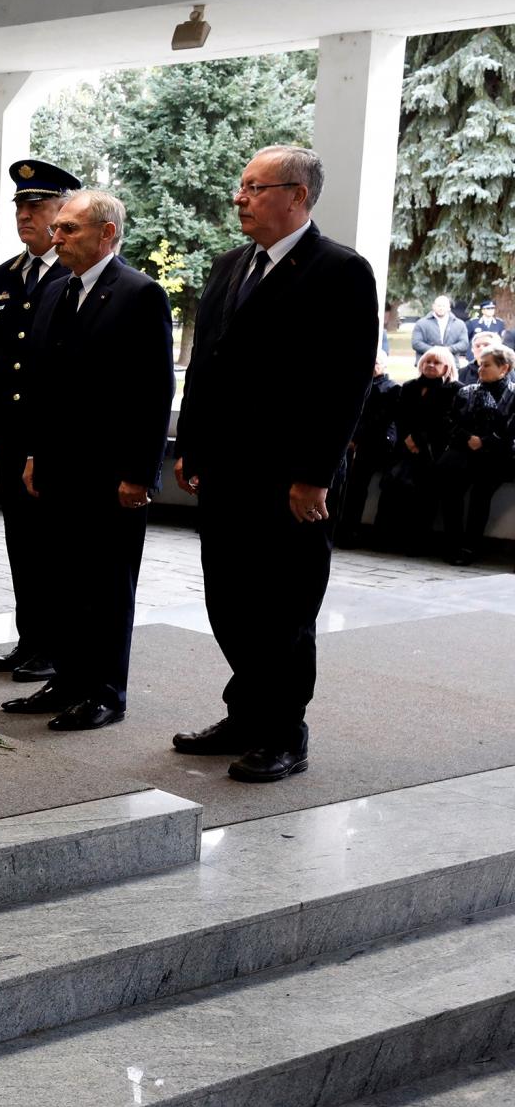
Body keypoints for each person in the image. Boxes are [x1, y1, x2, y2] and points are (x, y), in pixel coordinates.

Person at [172, 145, 379, 783]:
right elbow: (206, 365)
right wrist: (191, 444)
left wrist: (315, 474)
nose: (241, 197)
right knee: (229, 598)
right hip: (226, 469)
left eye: (255, 188)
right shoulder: (230, 265)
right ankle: (246, 711)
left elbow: (345, 383)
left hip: (292, 478)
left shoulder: (340, 270)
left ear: (297, 195)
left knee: (285, 606)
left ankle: (285, 730)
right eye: (241, 186)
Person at [4, 189, 173, 733]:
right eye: (58, 228)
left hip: (110, 474)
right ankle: (68, 680)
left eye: (70, 229)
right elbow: (43, 386)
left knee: (105, 586)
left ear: (107, 234)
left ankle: (105, 692)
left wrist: (138, 473)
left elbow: (152, 393)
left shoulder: (140, 294)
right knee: (62, 580)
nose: (57, 236)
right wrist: (34, 455)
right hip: (57, 469)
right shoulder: (56, 290)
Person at [0, 159, 80, 682]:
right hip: (14, 430)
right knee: (21, 541)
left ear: (63, 210)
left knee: (51, 544)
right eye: (20, 206)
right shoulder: (7, 274)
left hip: (51, 435)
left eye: (36, 206)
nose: (25, 215)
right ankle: (30, 638)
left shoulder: (75, 275)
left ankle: (56, 646)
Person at [436, 341, 515, 564]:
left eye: (486, 366)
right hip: (464, 453)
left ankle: (470, 548)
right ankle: (453, 544)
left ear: (504, 368)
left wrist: (485, 441)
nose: (480, 370)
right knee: (452, 493)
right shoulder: (466, 391)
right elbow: (449, 421)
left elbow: (512, 429)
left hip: (498, 456)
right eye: (480, 366)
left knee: (481, 497)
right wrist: (468, 438)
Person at [375, 347, 460, 552]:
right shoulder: (409, 386)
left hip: (432, 450)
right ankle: (385, 540)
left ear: (446, 367)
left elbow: (445, 421)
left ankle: (414, 543)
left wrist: (419, 441)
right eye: (427, 361)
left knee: (423, 497)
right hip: (404, 448)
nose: (430, 365)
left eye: (436, 362)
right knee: (392, 491)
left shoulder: (454, 390)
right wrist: (408, 439)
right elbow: (400, 415)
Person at [336, 353, 398, 548]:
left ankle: (351, 532)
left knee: (357, 488)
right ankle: (342, 530)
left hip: (375, 444)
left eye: (377, 363)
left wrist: (355, 438)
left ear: (384, 366)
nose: (373, 366)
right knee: (348, 488)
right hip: (353, 442)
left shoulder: (392, 388)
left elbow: (381, 419)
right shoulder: (357, 384)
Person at [411, 295, 468, 359]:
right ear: (433, 307)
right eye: (439, 306)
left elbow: (464, 343)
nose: (441, 308)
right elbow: (416, 343)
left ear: (449, 308)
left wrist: (449, 349)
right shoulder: (421, 323)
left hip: (451, 364)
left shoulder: (459, 324)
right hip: (427, 363)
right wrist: (435, 350)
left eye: (444, 306)